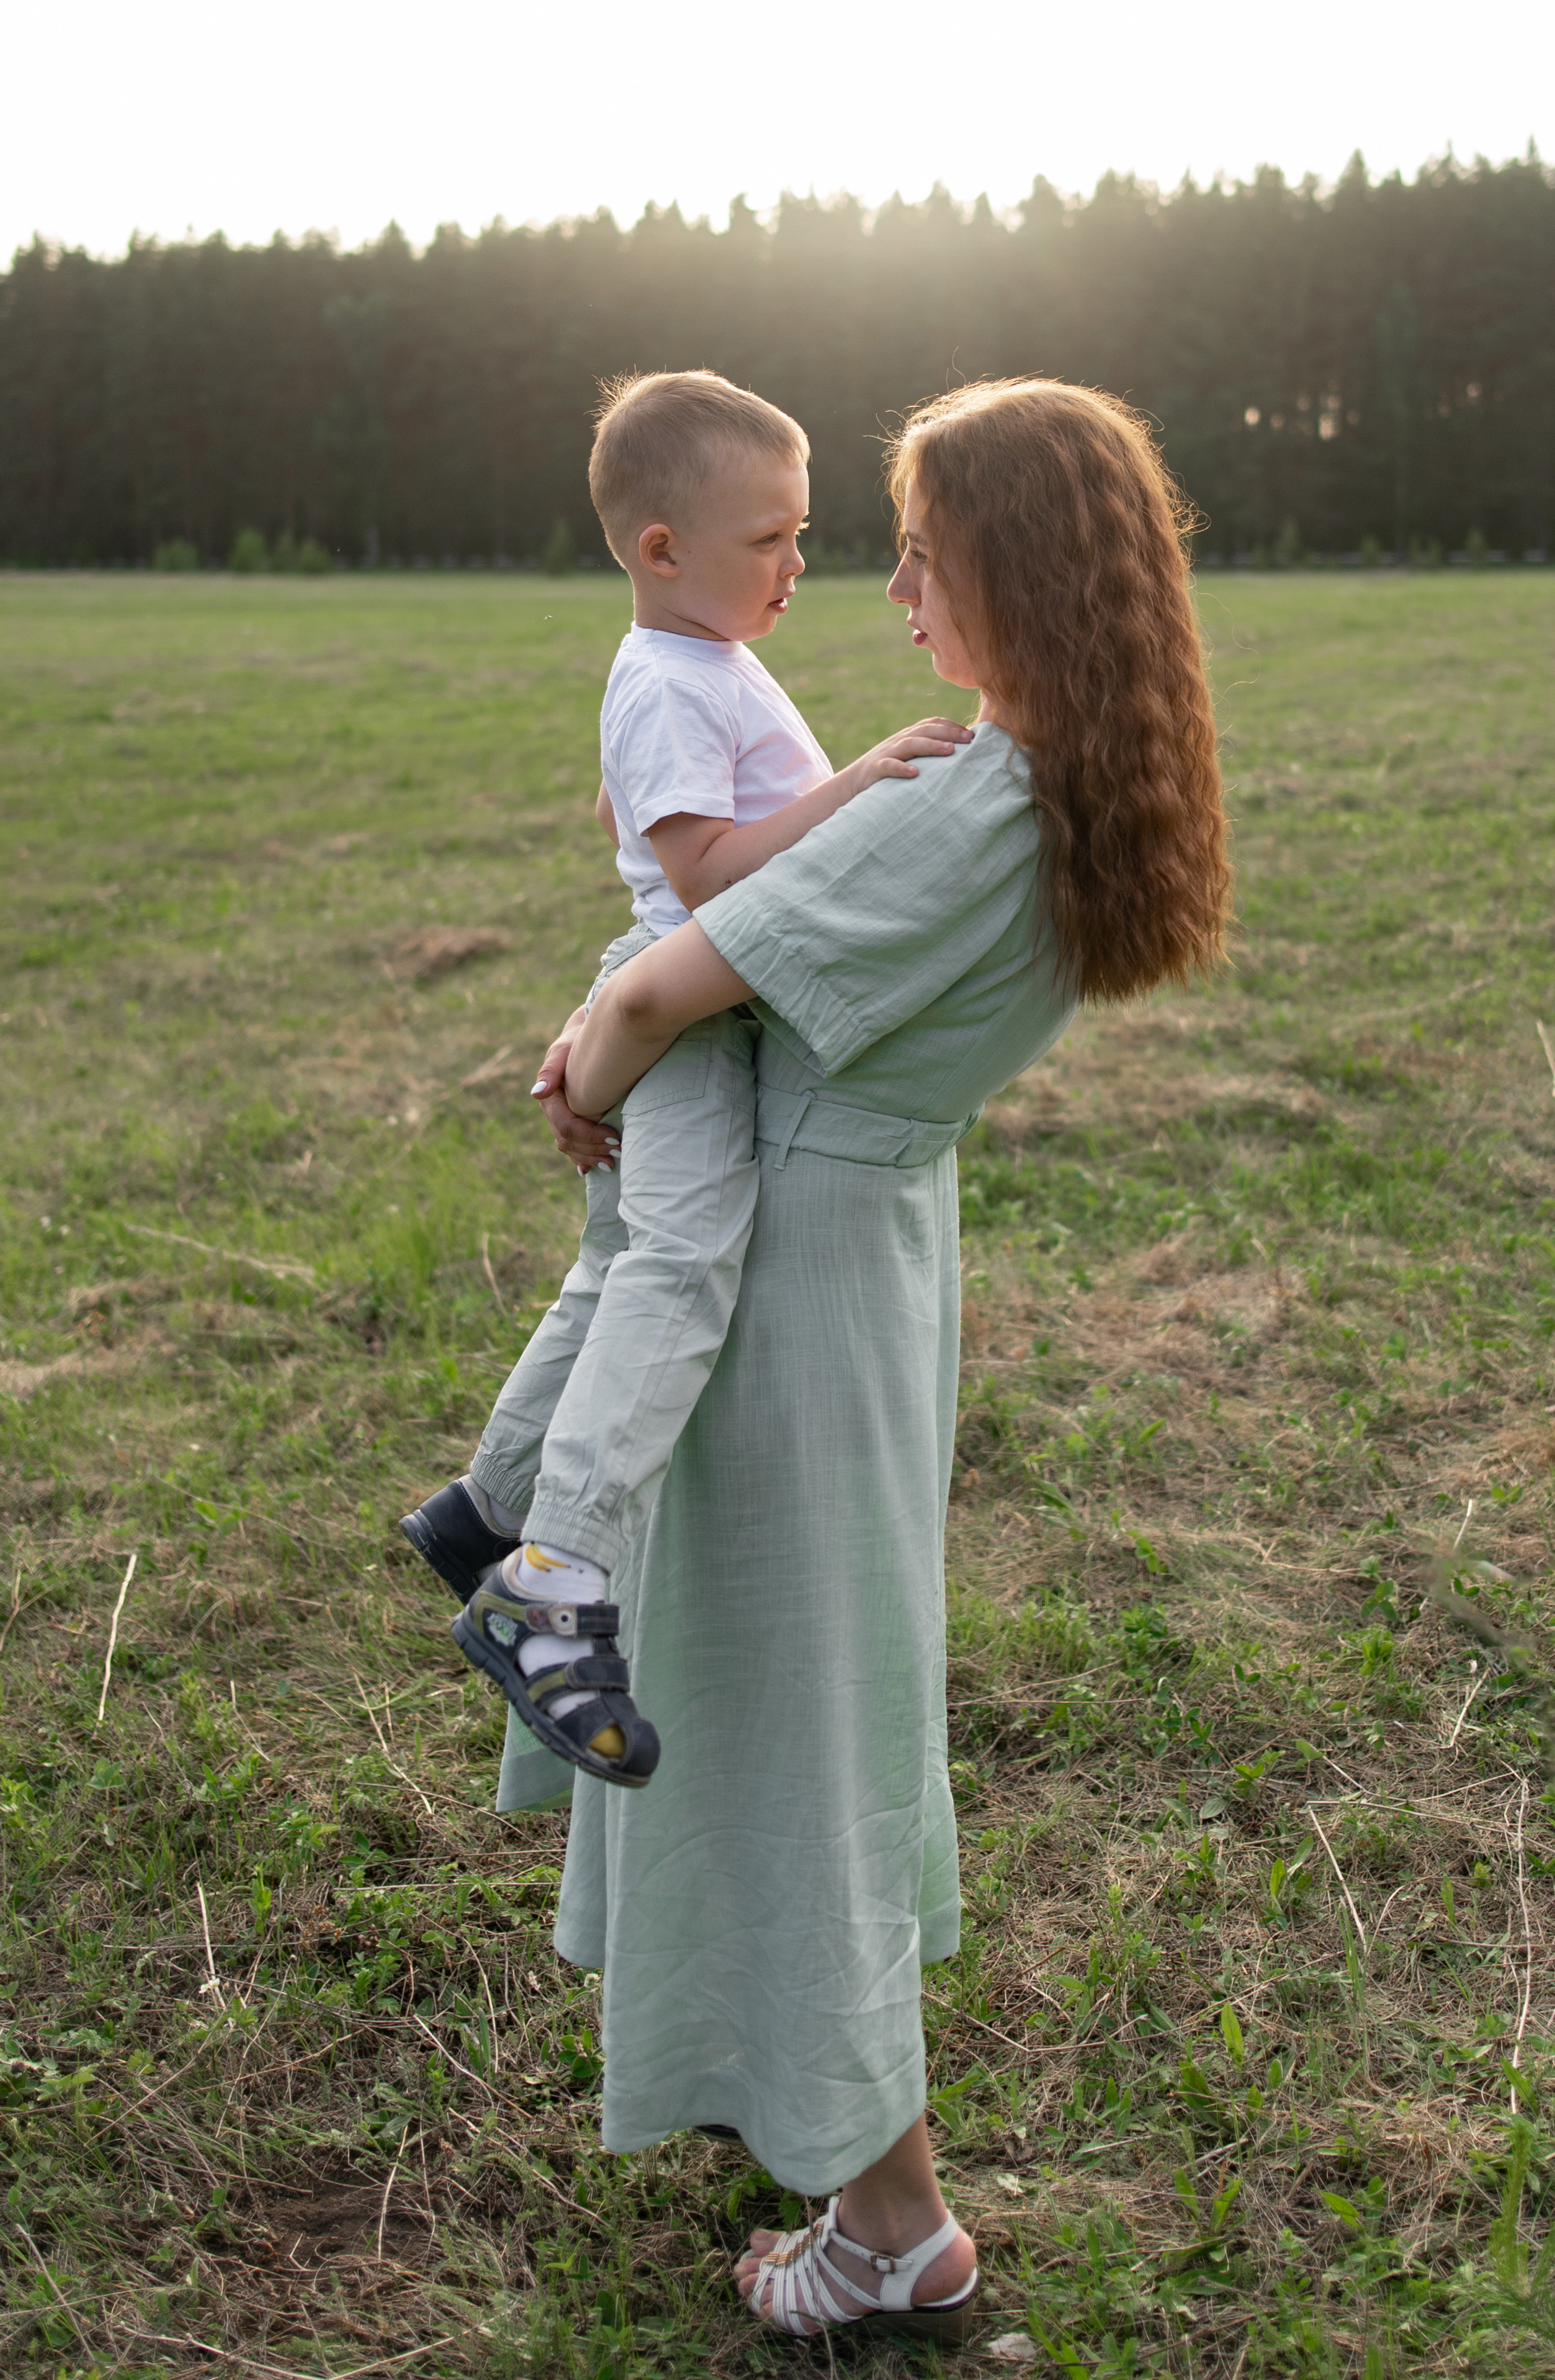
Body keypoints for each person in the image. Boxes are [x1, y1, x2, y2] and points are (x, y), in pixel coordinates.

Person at [498, 377, 1229, 2342]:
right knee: (806, 1701)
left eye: (921, 557)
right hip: (861, 1243)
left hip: (797, 1285)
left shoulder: (966, 802)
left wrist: (587, 1069)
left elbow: (669, 981)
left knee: (793, 1725)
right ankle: (846, 2148)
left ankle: (893, 2224)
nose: (891, 596)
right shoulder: (1063, 780)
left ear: (1015, 573)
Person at [400, 369, 967, 1790]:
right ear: (661, 548)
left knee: (614, 1268)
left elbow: (629, 809)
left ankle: (484, 1508)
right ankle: (553, 1574)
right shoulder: (667, 673)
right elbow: (700, 871)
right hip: (697, 1016)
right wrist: (861, 779)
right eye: (769, 536)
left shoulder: (695, 661)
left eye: (800, 531)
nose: (799, 561)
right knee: (680, 1262)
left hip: (685, 985)